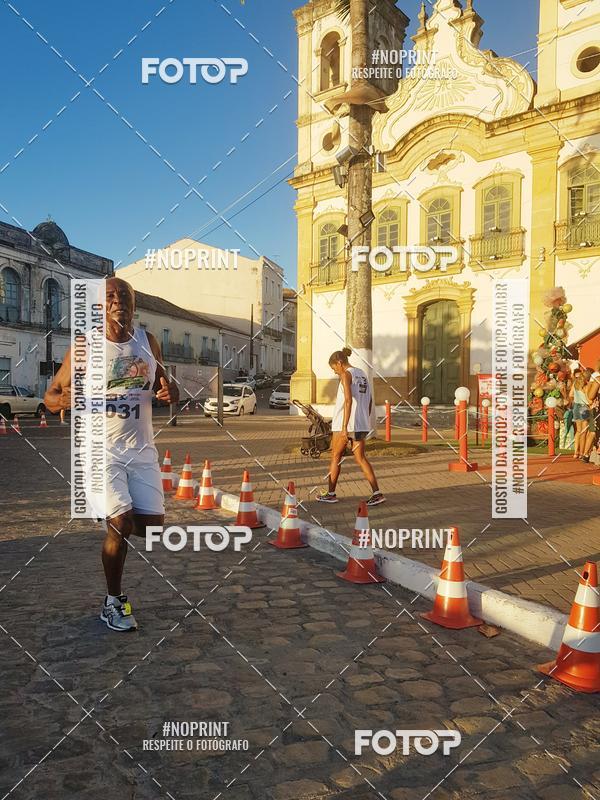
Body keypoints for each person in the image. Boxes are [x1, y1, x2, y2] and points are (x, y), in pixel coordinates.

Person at [44, 277, 179, 631]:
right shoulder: (85, 347)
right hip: (100, 451)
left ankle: (110, 512)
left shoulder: (148, 342)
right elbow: (51, 396)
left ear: (134, 304)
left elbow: (167, 384)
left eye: (124, 295)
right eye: (110, 296)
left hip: (142, 451)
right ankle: (113, 602)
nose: (118, 299)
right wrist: (64, 401)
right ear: (101, 306)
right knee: (120, 524)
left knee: (151, 531)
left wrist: (170, 391)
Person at [317, 347, 385, 506]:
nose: (335, 372)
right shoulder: (362, 374)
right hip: (361, 423)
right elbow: (369, 401)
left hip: (345, 424)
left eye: (334, 368)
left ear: (340, 363)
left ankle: (331, 494)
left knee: (335, 456)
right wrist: (365, 420)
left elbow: (348, 400)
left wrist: (344, 427)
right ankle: (377, 493)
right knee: (361, 458)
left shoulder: (345, 375)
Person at [569, 369, 592, 460]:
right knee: (584, 431)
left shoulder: (575, 384)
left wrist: (577, 397)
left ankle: (576, 453)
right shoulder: (586, 386)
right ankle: (582, 453)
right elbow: (588, 399)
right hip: (584, 407)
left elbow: (571, 395)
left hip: (576, 407)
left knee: (578, 431)